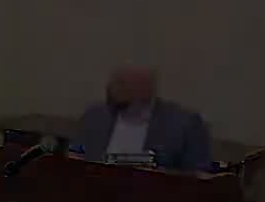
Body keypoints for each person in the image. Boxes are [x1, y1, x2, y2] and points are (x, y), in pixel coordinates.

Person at [77, 67, 212, 171]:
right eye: (114, 83)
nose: (113, 89)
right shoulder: (94, 116)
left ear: (148, 89)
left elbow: (197, 173)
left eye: (123, 84)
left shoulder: (184, 124)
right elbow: (77, 156)